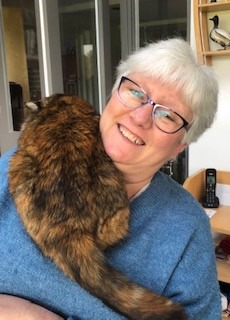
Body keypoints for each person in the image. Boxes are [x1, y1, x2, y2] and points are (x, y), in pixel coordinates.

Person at [0, 38, 221, 319]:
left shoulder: (186, 228)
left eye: (167, 115)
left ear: (180, 147)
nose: (140, 117)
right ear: (113, 93)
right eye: (136, 93)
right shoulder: (28, 159)